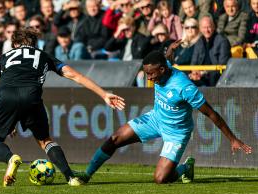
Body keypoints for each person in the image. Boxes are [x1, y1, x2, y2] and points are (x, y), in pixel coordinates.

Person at [76, 51, 252, 184]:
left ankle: (185, 168)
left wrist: (233, 139)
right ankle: (86, 175)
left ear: (162, 70)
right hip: (155, 119)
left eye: (151, 74)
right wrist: (171, 49)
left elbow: (211, 113)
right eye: (147, 74)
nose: (149, 78)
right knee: (115, 138)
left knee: (161, 179)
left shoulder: (183, 87)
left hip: (177, 132)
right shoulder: (163, 66)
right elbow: (166, 57)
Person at [0, 27, 125, 187]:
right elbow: (76, 76)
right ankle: (71, 178)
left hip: (6, 96)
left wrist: (4, 116)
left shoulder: (3, 57)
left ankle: (11, 158)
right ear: (34, 43)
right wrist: (103, 94)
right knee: (45, 140)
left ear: (15, 44)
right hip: (32, 96)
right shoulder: (44, 56)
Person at [191, 15, 231, 86]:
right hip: (200, 77)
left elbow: (223, 64)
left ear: (214, 27)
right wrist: (195, 72)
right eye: (204, 27)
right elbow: (194, 62)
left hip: (216, 78)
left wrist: (204, 73)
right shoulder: (199, 42)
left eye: (209, 27)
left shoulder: (222, 41)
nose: (207, 30)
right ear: (200, 29)